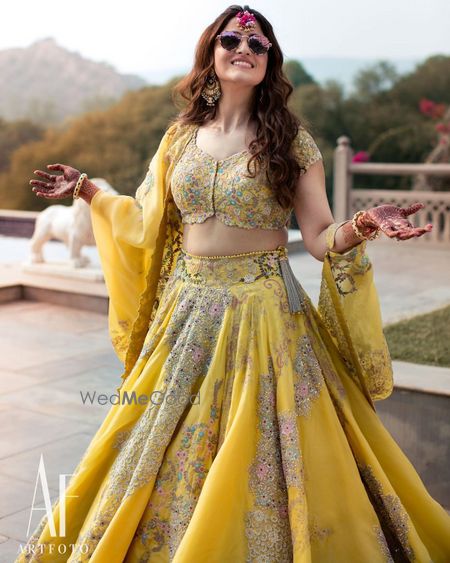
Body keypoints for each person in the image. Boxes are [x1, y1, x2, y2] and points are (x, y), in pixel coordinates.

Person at [20, 5, 450, 562]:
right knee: (158, 448)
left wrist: (363, 224)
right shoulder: (179, 139)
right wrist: (86, 189)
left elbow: (320, 237)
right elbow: (145, 220)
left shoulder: (291, 142)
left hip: (268, 318)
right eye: (230, 39)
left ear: (270, 61)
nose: (243, 47)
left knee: (266, 451)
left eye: (258, 42)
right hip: (188, 318)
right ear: (212, 55)